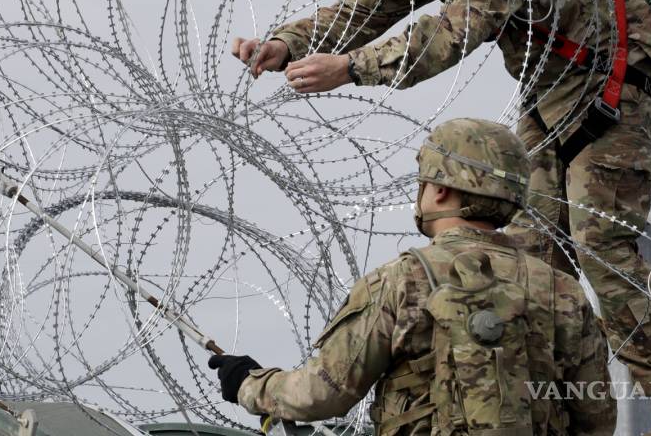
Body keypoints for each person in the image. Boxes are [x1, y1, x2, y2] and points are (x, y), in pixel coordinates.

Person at [229, 0, 651, 434]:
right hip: (550, 93)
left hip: (613, 85)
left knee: (600, 243)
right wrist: (287, 44)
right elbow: (365, 6)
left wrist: (350, 69)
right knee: (528, 263)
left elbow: (454, 31)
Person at [210, 118, 614, 435]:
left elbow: (324, 393)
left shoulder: (402, 278)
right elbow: (596, 418)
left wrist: (251, 383)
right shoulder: (563, 289)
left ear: (439, 190)